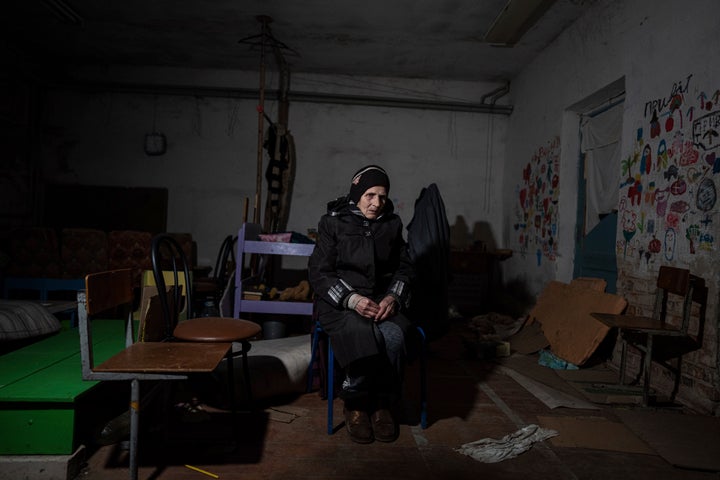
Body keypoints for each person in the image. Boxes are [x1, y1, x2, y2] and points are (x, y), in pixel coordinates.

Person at [308, 164, 414, 444]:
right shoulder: (332, 223)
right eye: (369, 195)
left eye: (382, 196)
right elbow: (319, 271)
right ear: (357, 194)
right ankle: (355, 403)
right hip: (341, 303)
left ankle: (381, 404)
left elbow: (404, 268)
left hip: (381, 301)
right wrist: (351, 299)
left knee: (392, 335)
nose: (377, 203)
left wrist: (393, 297)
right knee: (359, 331)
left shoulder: (392, 224)